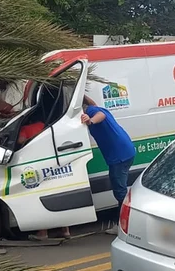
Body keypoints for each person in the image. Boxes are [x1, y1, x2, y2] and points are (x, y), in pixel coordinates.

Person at [81, 95, 135, 235]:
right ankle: (126, 223)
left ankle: (125, 225)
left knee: (120, 191)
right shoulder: (94, 106)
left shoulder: (92, 110)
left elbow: (101, 116)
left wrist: (90, 121)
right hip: (125, 151)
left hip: (119, 156)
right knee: (120, 188)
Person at [22, 121, 71, 241]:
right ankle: (66, 231)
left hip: (37, 164)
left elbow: (20, 141)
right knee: (57, 195)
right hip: (52, 161)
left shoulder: (23, 128)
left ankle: (43, 233)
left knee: (42, 196)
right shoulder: (44, 124)